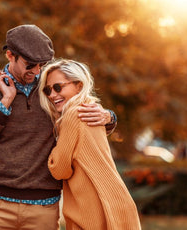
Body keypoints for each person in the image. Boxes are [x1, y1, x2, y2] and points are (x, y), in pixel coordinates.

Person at [0, 24, 117, 230]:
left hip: (43, 208)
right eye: (30, 65)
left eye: (41, 65)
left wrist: (108, 116)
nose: (36, 71)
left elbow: (80, 119)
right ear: (10, 55)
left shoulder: (51, 88)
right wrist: (4, 103)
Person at [39, 59, 142, 230]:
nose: (51, 95)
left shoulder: (73, 114)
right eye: (47, 90)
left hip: (95, 212)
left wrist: (51, 150)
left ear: (79, 86)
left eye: (58, 87)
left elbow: (59, 169)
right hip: (116, 204)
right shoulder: (92, 109)